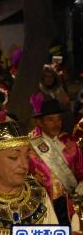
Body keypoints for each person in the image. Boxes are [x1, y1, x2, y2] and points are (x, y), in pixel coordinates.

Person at [27, 95, 83, 226]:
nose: (56, 124)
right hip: (42, 208)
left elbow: (81, 172)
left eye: (59, 119)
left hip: (70, 209)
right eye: (50, 120)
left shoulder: (71, 144)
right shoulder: (29, 147)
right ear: (39, 122)